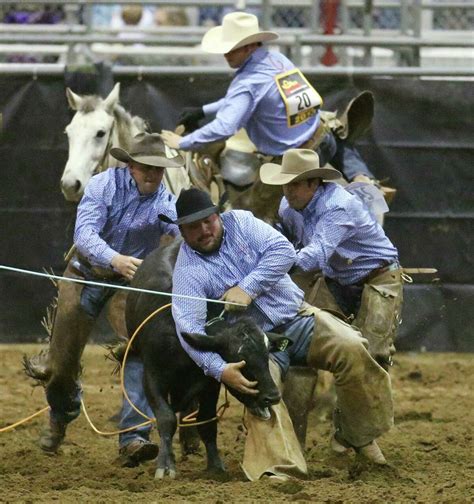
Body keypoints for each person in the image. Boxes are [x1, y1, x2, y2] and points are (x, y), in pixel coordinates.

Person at [169, 187, 394, 481]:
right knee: (262, 394)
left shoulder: (242, 222)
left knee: (352, 346)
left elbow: (284, 252)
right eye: (193, 227)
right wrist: (221, 370)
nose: (203, 230)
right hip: (254, 343)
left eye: (208, 221)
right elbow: (189, 330)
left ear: (218, 215)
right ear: (182, 233)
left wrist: (247, 288)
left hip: (295, 315)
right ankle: (280, 468)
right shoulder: (187, 271)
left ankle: (360, 436)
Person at [38, 132, 184, 467]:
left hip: (130, 284)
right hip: (85, 273)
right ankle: (61, 414)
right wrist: (115, 258)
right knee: (62, 362)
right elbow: (84, 234)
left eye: (158, 169)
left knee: (137, 350)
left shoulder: (166, 202)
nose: (152, 174)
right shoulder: (103, 185)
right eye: (145, 167)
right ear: (130, 165)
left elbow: (180, 239)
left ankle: (133, 437)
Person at [160, 11, 375, 184]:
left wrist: (183, 142)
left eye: (231, 49)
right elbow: (244, 100)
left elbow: (225, 127)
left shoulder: (248, 82)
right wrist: (204, 111)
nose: (225, 54)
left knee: (260, 210)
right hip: (323, 137)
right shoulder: (276, 60)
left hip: (296, 159)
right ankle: (362, 177)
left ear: (249, 46)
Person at [260, 148, 404, 368]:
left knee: (373, 355)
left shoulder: (338, 206)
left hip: (378, 279)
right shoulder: (287, 207)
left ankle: (362, 400)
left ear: (314, 183)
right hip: (336, 280)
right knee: (311, 342)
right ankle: (323, 401)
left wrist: (271, 266)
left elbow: (315, 256)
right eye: (285, 184)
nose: (288, 191)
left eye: (295, 184)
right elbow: (289, 243)